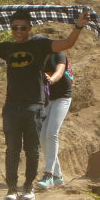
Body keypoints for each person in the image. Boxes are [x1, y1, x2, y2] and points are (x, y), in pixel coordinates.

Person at [0, 7, 90, 200]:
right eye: (15, 27)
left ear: (29, 28)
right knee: (12, 149)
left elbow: (68, 43)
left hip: (34, 105)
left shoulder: (40, 45)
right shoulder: (7, 48)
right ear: (11, 28)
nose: (18, 31)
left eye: (22, 28)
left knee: (32, 149)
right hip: (11, 107)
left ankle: (28, 187)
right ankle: (11, 189)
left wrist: (78, 25)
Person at [35, 39, 73, 190]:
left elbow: (60, 70)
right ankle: (58, 177)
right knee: (42, 137)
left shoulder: (58, 55)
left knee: (51, 133)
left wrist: (51, 79)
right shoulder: (37, 59)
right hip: (48, 99)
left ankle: (48, 175)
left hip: (63, 97)